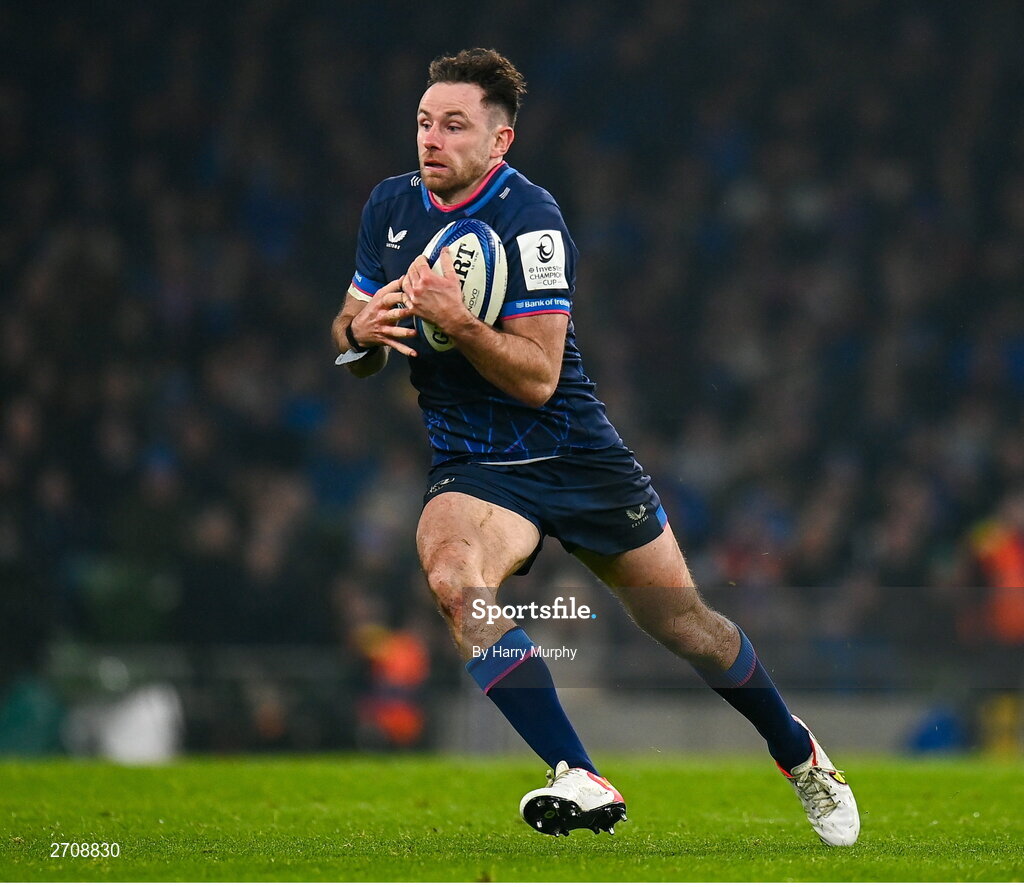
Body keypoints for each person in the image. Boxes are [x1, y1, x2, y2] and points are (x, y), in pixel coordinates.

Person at [331, 48, 859, 846]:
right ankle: (576, 771)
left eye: (453, 125)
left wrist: (462, 321)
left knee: (689, 628)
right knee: (452, 579)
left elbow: (540, 376)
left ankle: (800, 753)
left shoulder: (532, 217)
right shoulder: (390, 207)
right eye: (423, 123)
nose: (430, 139)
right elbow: (350, 329)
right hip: (475, 464)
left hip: (576, 454)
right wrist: (358, 334)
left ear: (499, 141)